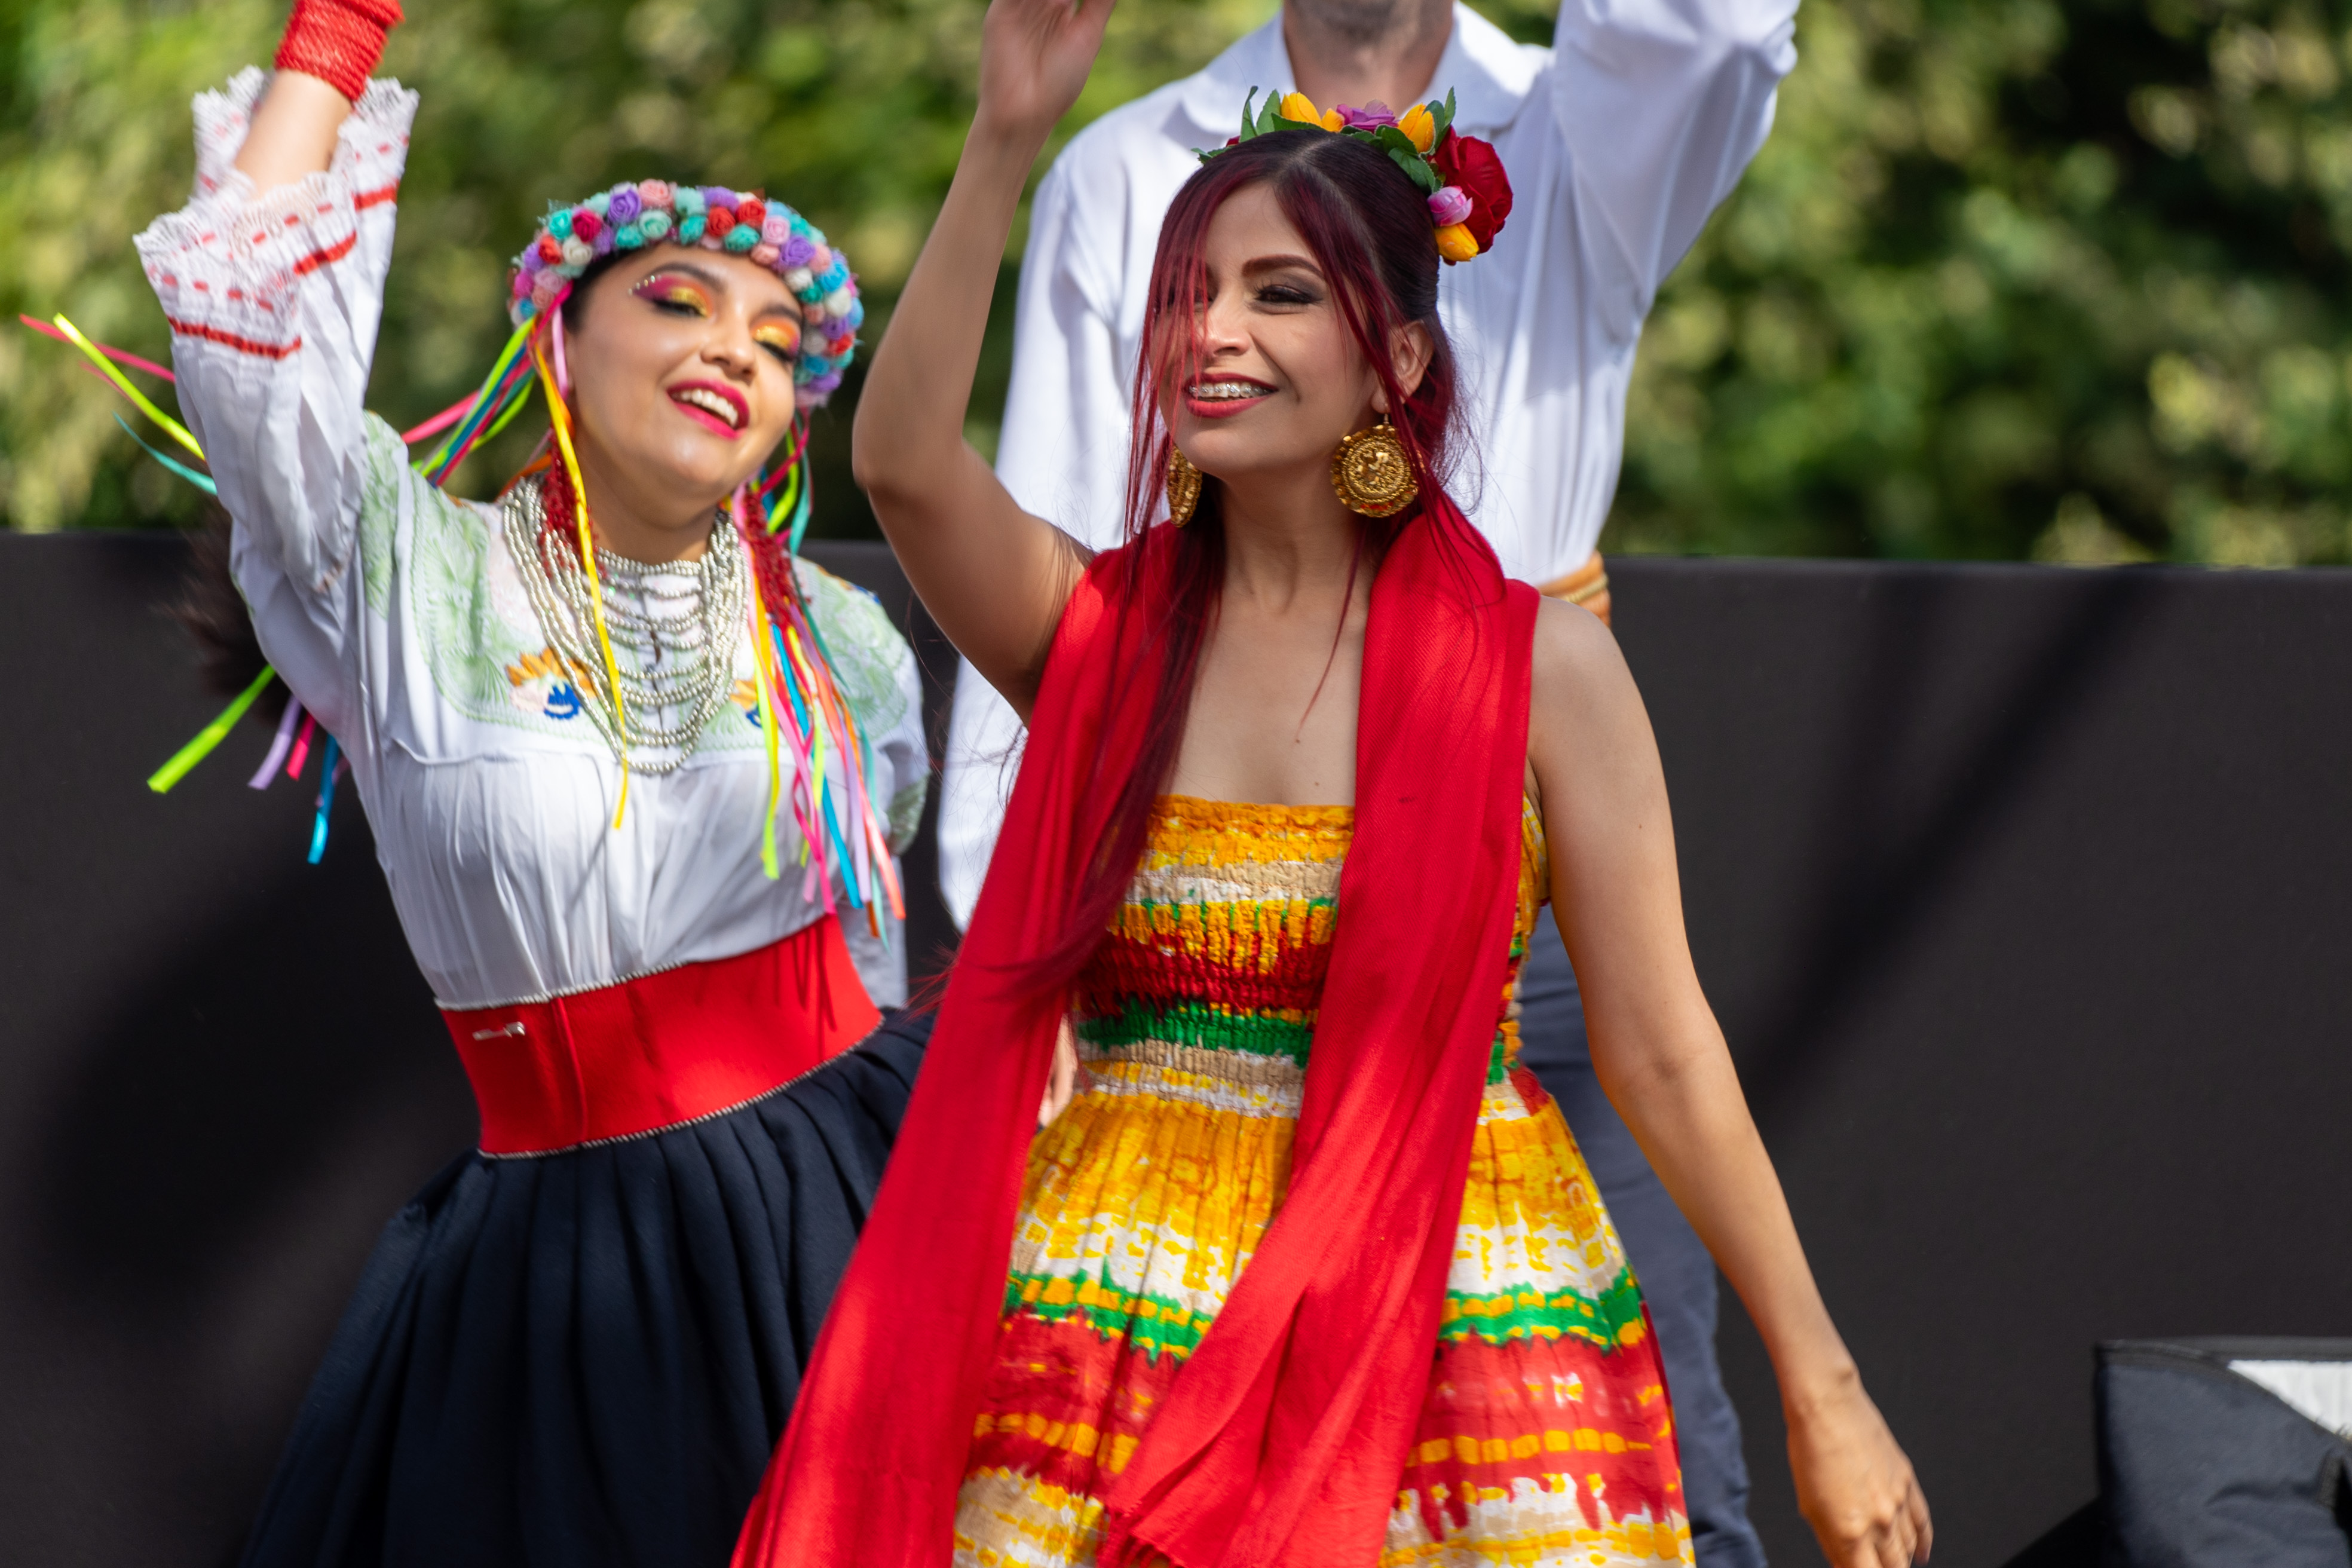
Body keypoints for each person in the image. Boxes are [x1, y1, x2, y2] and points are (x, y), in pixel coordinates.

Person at [733, 1, 1928, 1564]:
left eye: (1277, 293)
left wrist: (1822, 1386)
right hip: (1126, 1307)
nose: (1211, 332)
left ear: (1396, 358)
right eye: (1189, 295)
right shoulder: (1098, 633)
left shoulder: (1544, 669)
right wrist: (1005, 135)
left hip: (1451, 1315)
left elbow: (1662, 1049)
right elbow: (900, 464)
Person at [131, 2, 929, 1561]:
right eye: (681, 301)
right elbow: (246, 346)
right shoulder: (403, 571)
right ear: (559, 338)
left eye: (779, 346)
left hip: (838, 1213)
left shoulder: (846, 643)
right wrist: (337, 34)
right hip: (561, 1269)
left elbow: (872, 945)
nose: (737, 349)